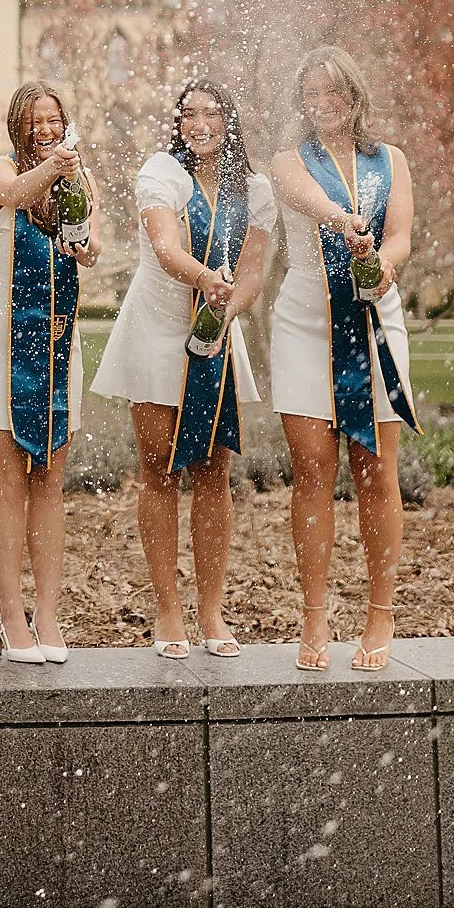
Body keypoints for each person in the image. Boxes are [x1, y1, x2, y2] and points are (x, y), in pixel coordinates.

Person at [92, 79, 274, 659]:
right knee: (159, 467)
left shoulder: (255, 190)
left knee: (214, 468)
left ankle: (211, 610)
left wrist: (229, 309)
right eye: (188, 113)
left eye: (212, 113)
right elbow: (166, 247)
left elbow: (253, 270)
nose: (199, 123)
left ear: (229, 121)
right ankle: (168, 609)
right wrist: (204, 280)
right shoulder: (162, 174)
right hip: (157, 327)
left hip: (215, 327)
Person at [271, 46, 418, 674]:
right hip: (305, 320)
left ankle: (381, 613)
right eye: (312, 93)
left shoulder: (392, 160)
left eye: (335, 91)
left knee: (377, 470)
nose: (324, 102)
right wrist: (343, 220)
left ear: (355, 95)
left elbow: (401, 236)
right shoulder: (287, 161)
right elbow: (308, 199)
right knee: (312, 469)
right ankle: (315, 615)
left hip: (374, 317)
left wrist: (382, 264)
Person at [0, 83, 99, 662]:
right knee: (9, 479)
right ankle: (10, 612)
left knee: (49, 479)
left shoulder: (79, 180)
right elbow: (15, 194)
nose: (46, 129)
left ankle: (48, 612)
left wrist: (86, 248)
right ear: (18, 125)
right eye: (36, 120)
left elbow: (89, 245)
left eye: (55, 119)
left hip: (58, 343)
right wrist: (55, 168)